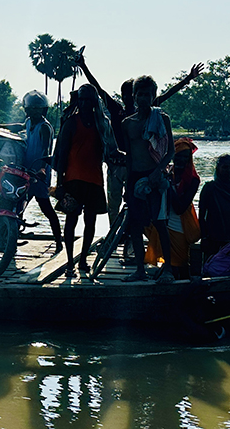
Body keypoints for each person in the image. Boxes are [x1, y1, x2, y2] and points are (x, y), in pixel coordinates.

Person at [76, 49, 202, 237]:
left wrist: (187, 79)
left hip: (139, 168)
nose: (130, 99)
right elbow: (98, 88)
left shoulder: (151, 112)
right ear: (126, 96)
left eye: (132, 95)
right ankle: (114, 236)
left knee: (139, 207)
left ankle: (132, 239)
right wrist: (83, 66)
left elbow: (168, 94)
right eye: (126, 95)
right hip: (117, 166)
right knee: (114, 203)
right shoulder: (118, 111)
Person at [51, 84, 114, 278]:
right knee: (71, 220)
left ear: (95, 101)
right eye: (82, 99)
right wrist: (60, 183)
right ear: (78, 100)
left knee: (91, 222)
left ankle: (84, 259)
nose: (85, 103)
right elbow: (61, 154)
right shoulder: (71, 122)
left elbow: (111, 150)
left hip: (95, 179)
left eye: (89, 99)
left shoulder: (103, 123)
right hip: (73, 179)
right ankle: (70, 262)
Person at [120, 76, 176, 283]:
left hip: (156, 176)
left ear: (153, 96)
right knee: (134, 224)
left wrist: (158, 171)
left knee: (160, 223)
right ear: (134, 97)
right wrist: (127, 184)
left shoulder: (162, 119)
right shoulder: (127, 124)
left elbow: (170, 151)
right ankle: (140, 271)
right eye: (140, 94)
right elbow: (129, 157)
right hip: (135, 176)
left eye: (147, 94)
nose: (143, 98)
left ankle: (168, 269)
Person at [144, 138, 202, 280]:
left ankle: (184, 286)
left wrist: (169, 185)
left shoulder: (193, 180)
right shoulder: (166, 172)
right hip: (162, 219)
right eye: (178, 155)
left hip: (180, 225)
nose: (181, 160)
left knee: (181, 263)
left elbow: (180, 207)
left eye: (185, 157)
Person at [20, 90, 63, 253]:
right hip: (26, 171)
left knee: (45, 207)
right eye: (32, 108)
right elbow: (19, 127)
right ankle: (11, 236)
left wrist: (42, 169)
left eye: (38, 109)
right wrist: (0, 126)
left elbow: (46, 150)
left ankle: (58, 241)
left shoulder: (44, 127)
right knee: (19, 204)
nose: (35, 112)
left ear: (43, 110)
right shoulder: (29, 122)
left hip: (39, 173)